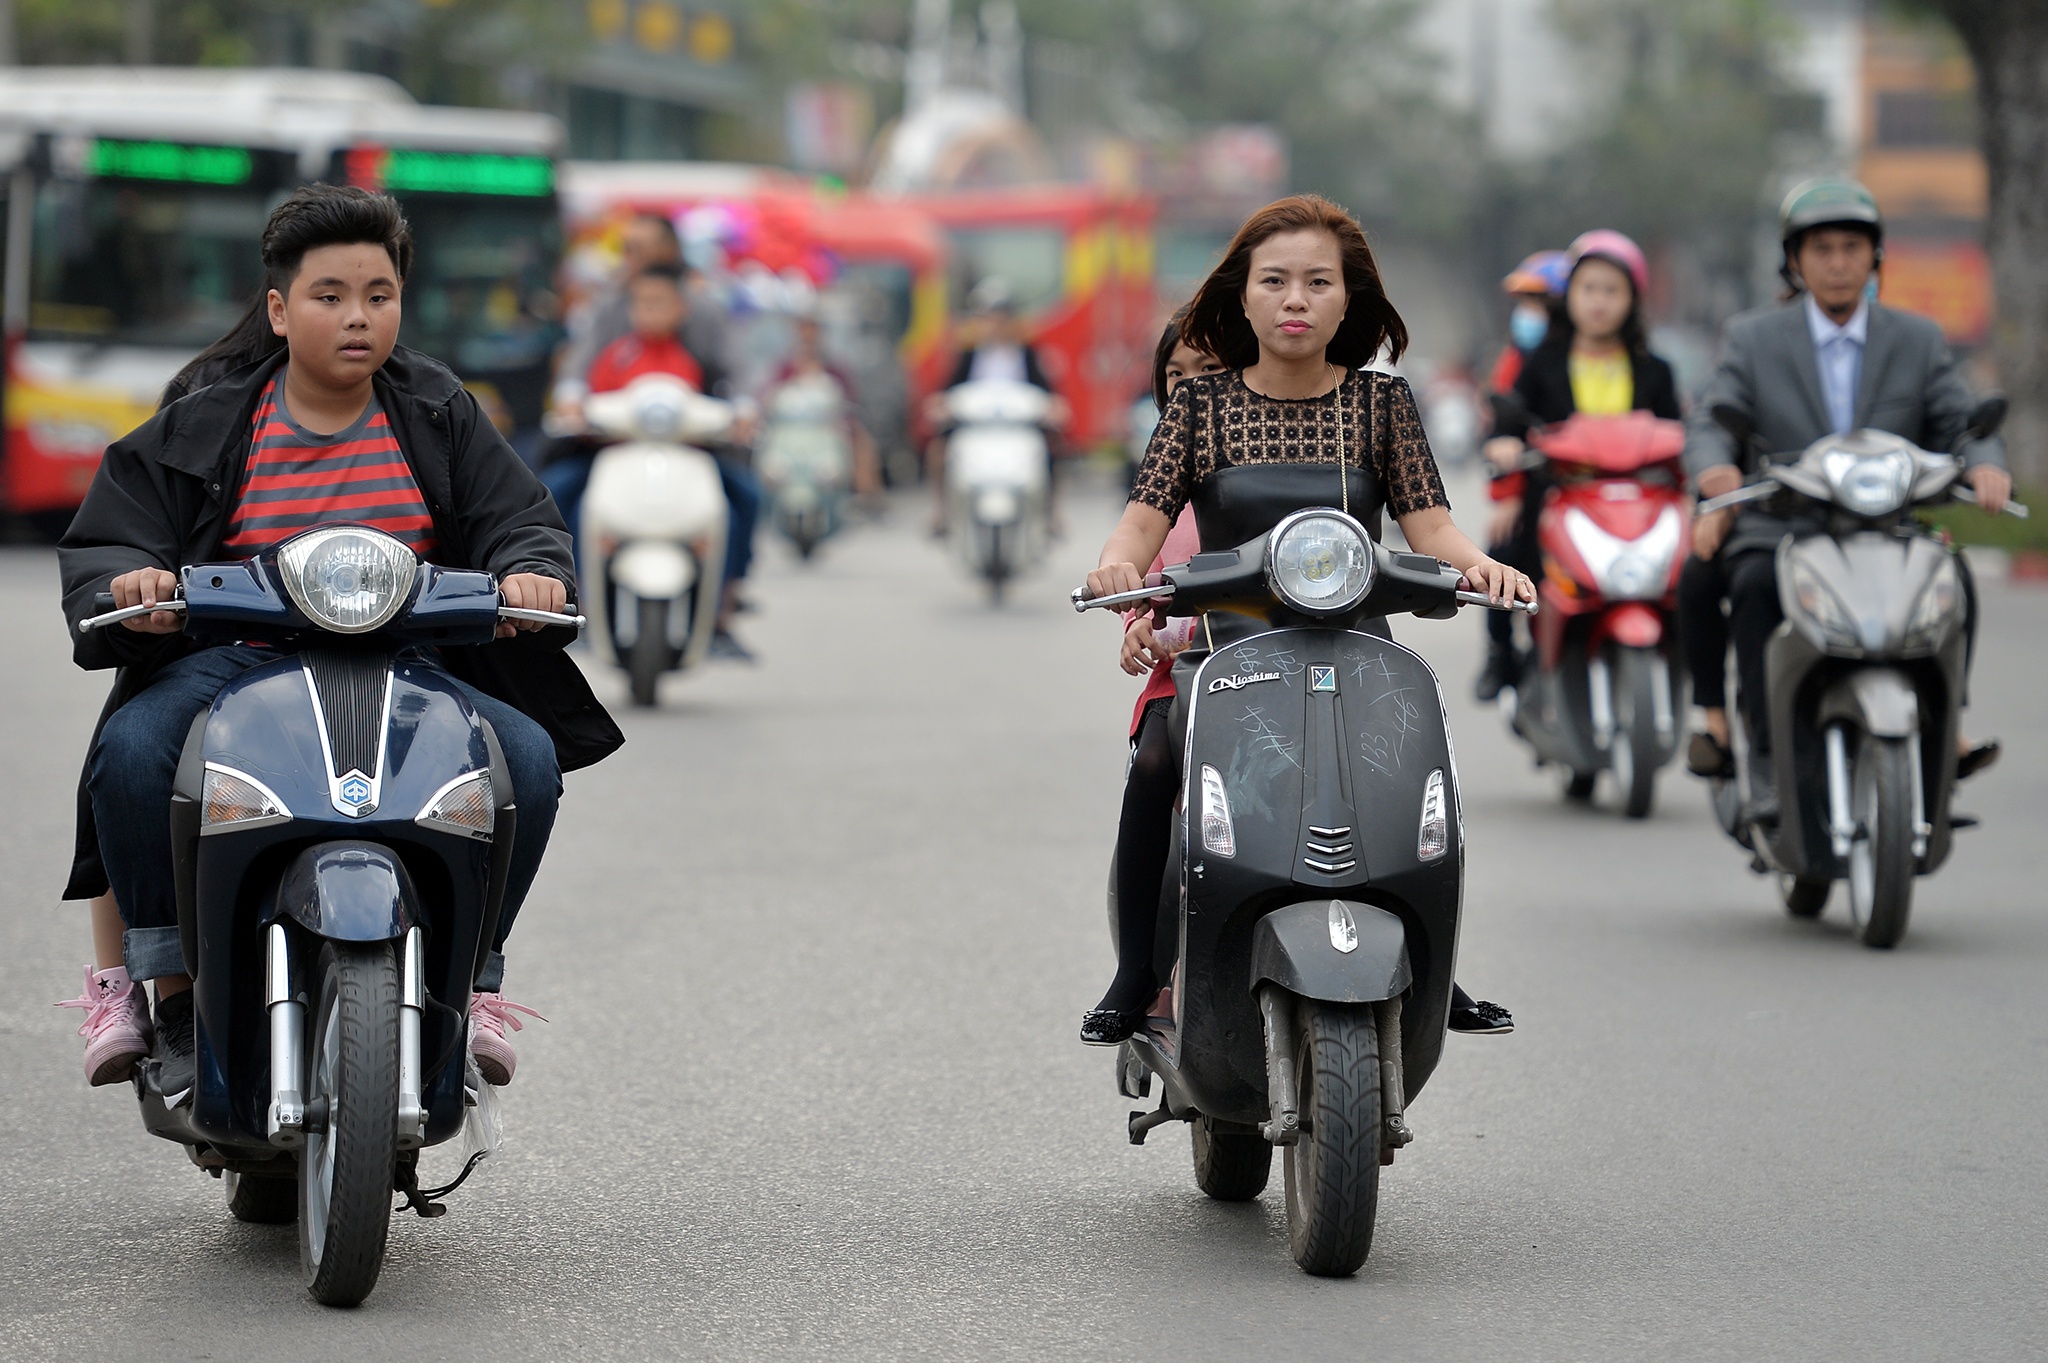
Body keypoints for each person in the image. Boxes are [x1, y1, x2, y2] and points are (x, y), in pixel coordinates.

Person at [53, 184, 622, 1099]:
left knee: (526, 756)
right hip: (230, 665)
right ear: (280, 310)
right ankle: (163, 988)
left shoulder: (437, 409)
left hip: (412, 664)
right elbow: (118, 532)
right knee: (131, 750)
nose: (358, 316)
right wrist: (135, 581)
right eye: (331, 296)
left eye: (379, 295)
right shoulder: (209, 414)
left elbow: (519, 517)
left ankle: (473, 978)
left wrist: (530, 570)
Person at [1079, 194, 1531, 1047]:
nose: (1296, 299)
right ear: (1243, 296)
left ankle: (1432, 964)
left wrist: (1480, 566)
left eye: (1319, 282)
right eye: (1275, 281)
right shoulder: (1199, 405)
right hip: (1229, 650)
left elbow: (1432, 528)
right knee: (1158, 757)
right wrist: (1117, 565)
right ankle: (1136, 969)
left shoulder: (1382, 404)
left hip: (1358, 649)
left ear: (1348, 298)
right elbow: (1140, 523)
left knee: (1416, 787)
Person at [1680, 178, 2007, 814]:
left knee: (1954, 580)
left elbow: (1962, 424)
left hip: (1887, 527)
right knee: (1752, 586)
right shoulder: (1752, 338)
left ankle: (1948, 727)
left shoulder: (1917, 338)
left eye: (1852, 248)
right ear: (1794, 260)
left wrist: (1986, 465)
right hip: (1784, 527)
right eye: (1822, 249)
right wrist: (1715, 467)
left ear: (1875, 257)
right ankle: (1765, 761)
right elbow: (1712, 420)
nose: (1837, 263)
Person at [1479, 230, 1684, 709]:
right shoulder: (1540, 363)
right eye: (1588, 288)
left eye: (1612, 290)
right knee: (1501, 555)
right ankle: (1502, 656)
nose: (1599, 302)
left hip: (1638, 502)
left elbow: (1678, 435)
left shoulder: (1655, 369)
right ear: (1569, 295)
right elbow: (1509, 422)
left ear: (1633, 299)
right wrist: (1505, 458)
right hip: (1559, 496)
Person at [547, 262, 763, 660]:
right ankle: (572, 595)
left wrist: (737, 418)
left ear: (681, 308)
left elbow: (731, 388)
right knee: (558, 497)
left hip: (687, 459)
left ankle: (724, 604)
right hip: (615, 457)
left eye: (660, 303)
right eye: (643, 303)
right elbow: (585, 390)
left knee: (742, 503)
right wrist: (577, 412)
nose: (650, 311)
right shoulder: (615, 354)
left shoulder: (691, 357)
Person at [1474, 248, 1571, 701]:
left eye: (1538, 303)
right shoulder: (1516, 360)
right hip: (1533, 486)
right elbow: (1502, 430)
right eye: (1524, 303)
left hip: (1588, 490)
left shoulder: (1594, 357)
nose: (1528, 314)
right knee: (1500, 557)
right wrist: (1507, 495)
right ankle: (1501, 653)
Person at [926, 277, 1068, 534]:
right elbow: (948, 388)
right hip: (974, 425)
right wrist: (940, 405)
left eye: (1001, 318)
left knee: (1052, 445)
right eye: (988, 318)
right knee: (938, 450)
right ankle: (942, 511)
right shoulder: (968, 354)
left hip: (1019, 425)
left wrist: (1054, 407)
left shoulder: (1027, 353)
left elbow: (1046, 389)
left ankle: (1051, 512)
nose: (995, 325)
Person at [765, 309, 882, 504]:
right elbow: (768, 396)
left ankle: (866, 494)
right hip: (793, 431)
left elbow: (849, 401)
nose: (808, 335)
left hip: (826, 430)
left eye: (812, 329)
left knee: (861, 440)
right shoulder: (785, 369)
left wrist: (843, 421)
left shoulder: (834, 368)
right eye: (803, 329)